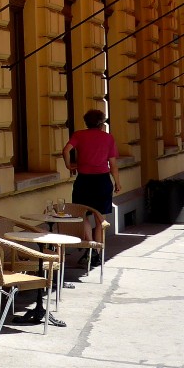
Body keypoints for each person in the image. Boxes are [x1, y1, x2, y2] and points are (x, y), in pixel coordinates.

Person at [62, 109, 121, 265]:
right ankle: (98, 253)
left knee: (83, 216)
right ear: (102, 123)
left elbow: (66, 150)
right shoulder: (108, 138)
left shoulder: (79, 135)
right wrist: (117, 182)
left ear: (86, 122)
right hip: (102, 180)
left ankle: (90, 249)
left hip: (84, 180)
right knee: (100, 219)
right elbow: (113, 164)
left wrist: (69, 165)